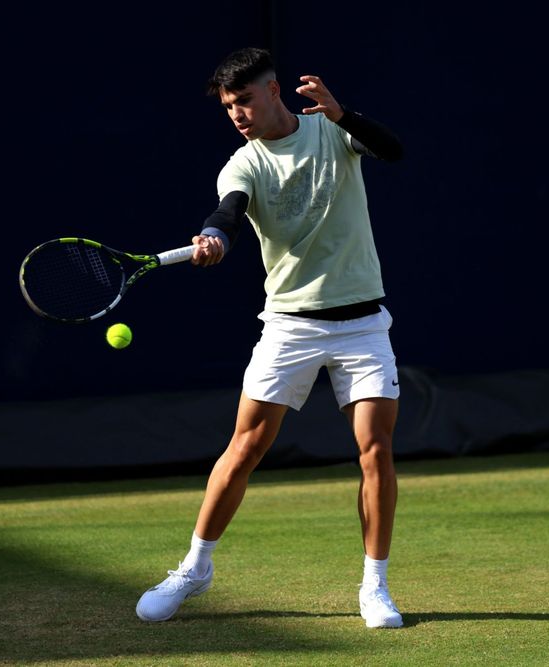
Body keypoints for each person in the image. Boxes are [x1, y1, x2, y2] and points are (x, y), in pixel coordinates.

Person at [135, 47, 406, 629]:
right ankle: (194, 567)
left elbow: (394, 150)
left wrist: (344, 115)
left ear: (274, 90)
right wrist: (213, 238)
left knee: (375, 451)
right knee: (245, 448)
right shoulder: (243, 165)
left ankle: (374, 586)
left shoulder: (333, 132)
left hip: (362, 324)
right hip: (289, 325)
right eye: (228, 106)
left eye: (245, 100)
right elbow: (228, 214)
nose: (236, 113)